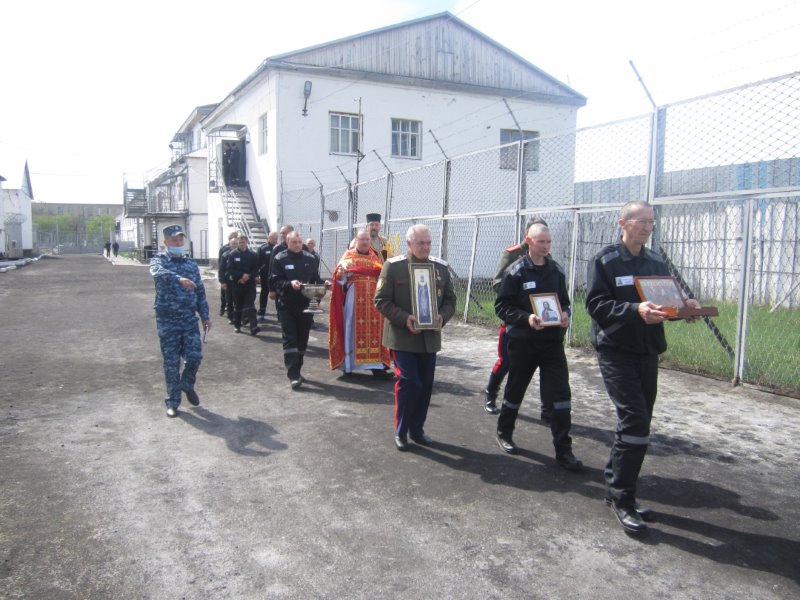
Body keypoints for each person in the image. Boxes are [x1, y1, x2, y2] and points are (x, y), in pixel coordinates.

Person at [585, 200, 701, 535]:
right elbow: (596, 304)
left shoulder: (655, 261)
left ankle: (615, 487)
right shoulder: (606, 261)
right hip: (616, 351)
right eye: (642, 222)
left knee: (638, 421)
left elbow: (666, 303)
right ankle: (624, 499)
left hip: (647, 351)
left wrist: (684, 308)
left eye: (652, 222)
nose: (648, 228)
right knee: (635, 421)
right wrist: (635, 310)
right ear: (623, 223)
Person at [494, 223, 583, 471]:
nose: (546, 246)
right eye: (541, 242)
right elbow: (502, 307)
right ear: (529, 241)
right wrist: (527, 318)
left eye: (548, 242)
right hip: (523, 342)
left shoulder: (556, 271)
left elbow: (564, 302)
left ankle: (564, 450)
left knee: (561, 395)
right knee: (515, 390)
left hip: (552, 344)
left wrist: (565, 314)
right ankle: (504, 432)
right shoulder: (516, 272)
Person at [374, 224, 457, 451]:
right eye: (420, 243)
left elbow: (450, 301)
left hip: (429, 339)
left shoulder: (440, 268)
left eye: (428, 243)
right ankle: (401, 431)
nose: (425, 247)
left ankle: (417, 430)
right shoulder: (394, 267)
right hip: (402, 337)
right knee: (409, 381)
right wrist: (404, 318)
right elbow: (380, 300)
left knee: (425, 385)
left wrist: (442, 317)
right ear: (409, 244)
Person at [482, 217, 551, 418]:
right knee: (506, 361)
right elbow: (497, 283)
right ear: (527, 236)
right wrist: (520, 296)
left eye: (546, 240)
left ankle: (547, 409)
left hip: (540, 321)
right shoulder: (512, 254)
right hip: (516, 318)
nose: (544, 244)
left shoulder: (547, 256)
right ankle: (491, 394)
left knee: (545, 366)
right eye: (538, 238)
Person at [149, 225, 210, 418]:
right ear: (166, 242)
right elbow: (157, 272)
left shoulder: (191, 264)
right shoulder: (158, 260)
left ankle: (187, 383)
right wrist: (179, 279)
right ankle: (173, 402)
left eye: (180, 239)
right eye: (174, 240)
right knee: (171, 363)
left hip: (188, 319)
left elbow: (200, 291)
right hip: (167, 320)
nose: (178, 243)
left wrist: (205, 316)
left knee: (195, 357)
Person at [329, 229, 392, 379]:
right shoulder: (348, 257)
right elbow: (340, 280)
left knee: (376, 332)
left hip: (374, 302)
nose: (364, 242)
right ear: (356, 240)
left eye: (367, 240)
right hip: (354, 300)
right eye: (362, 239)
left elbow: (381, 277)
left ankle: (377, 367)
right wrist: (341, 275)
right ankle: (348, 366)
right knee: (351, 329)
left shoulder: (374, 258)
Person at [271, 231, 330, 389]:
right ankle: (293, 374)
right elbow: (276, 281)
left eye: (299, 242)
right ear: (287, 242)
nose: (297, 245)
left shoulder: (310, 258)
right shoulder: (280, 258)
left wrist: (324, 284)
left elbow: (315, 279)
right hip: (287, 305)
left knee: (302, 339)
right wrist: (290, 284)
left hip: (306, 305)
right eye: (293, 242)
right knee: (290, 339)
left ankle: (297, 368)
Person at [227, 235, 260, 335]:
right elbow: (230, 269)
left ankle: (253, 326)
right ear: (237, 243)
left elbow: (256, 269)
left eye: (243, 242)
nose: (242, 244)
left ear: (247, 242)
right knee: (238, 306)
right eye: (240, 242)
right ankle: (237, 325)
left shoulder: (253, 255)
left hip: (250, 285)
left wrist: (248, 276)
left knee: (250, 305)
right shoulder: (232, 254)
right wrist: (241, 276)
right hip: (237, 284)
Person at [257, 231, 278, 321]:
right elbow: (258, 262)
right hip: (265, 275)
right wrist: (257, 275)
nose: (274, 240)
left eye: (275, 238)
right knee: (264, 292)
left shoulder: (279, 248)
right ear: (268, 238)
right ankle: (261, 312)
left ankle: (280, 314)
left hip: (276, 275)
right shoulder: (262, 248)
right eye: (272, 238)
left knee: (278, 293)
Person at [218, 231, 240, 317]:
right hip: (226, 275)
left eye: (236, 237)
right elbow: (221, 264)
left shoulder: (239, 250)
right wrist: (222, 279)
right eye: (233, 237)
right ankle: (222, 308)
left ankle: (235, 312)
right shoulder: (224, 249)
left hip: (235, 278)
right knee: (224, 294)